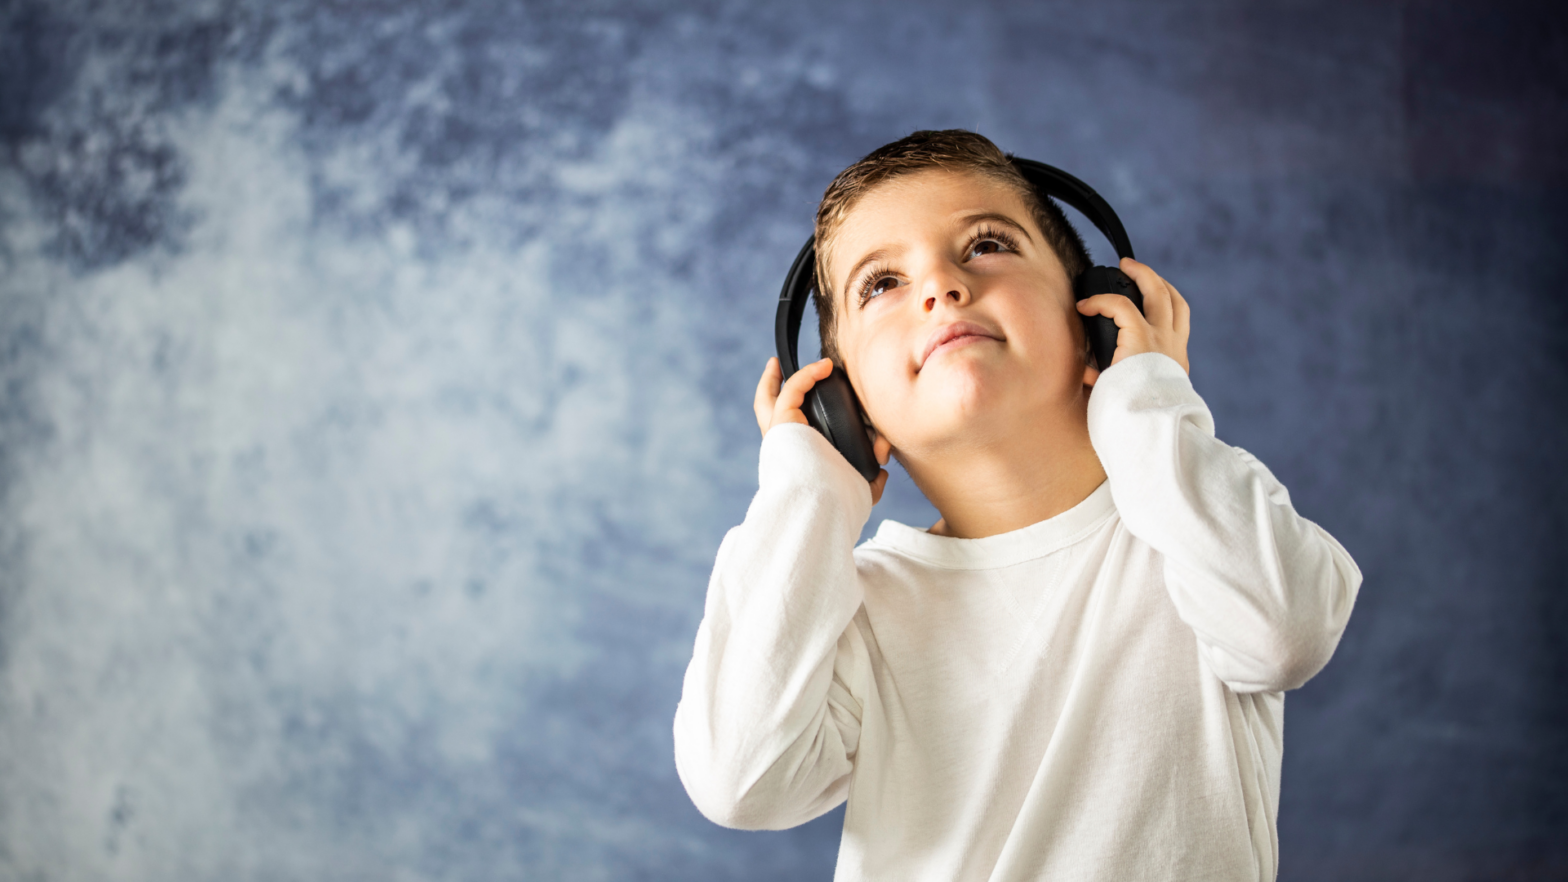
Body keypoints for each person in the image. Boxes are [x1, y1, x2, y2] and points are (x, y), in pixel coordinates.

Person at [672, 130, 1361, 881]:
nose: (940, 286)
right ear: (846, 402)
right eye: (882, 284)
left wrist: (1149, 401)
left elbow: (1288, 631)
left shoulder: (1192, 524)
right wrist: (807, 494)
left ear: (1099, 313)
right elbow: (739, 780)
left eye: (986, 245)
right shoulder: (857, 610)